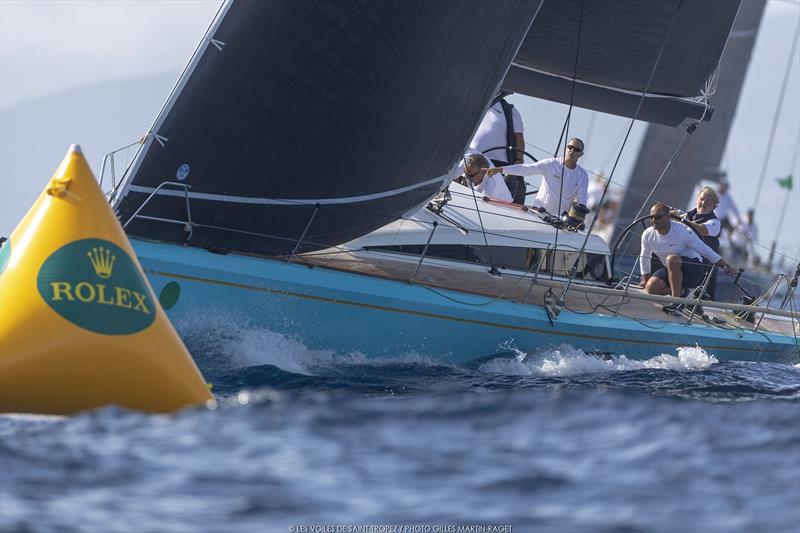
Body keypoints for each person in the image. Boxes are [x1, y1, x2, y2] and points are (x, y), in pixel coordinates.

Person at [640, 203, 732, 312]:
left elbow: (705, 250)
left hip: (693, 270)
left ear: (668, 217)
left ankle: (677, 303)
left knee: (672, 259)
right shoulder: (648, 234)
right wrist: (645, 279)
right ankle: (683, 292)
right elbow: (645, 256)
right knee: (651, 288)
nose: (654, 220)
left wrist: (725, 266)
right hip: (670, 270)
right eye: (652, 217)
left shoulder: (682, 231)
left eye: (658, 217)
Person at [487, 138, 588, 216]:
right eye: (570, 147)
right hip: (538, 213)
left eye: (576, 149)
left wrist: (579, 214)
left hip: (559, 219)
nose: (572, 151)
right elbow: (528, 169)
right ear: (566, 148)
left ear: (581, 154)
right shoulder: (552, 164)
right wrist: (501, 169)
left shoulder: (582, 175)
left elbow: (582, 198)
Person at [468, 91, 526, 204]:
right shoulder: (473, 104)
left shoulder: (510, 111)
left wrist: (518, 161)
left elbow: (519, 138)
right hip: (471, 163)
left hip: (498, 163)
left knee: (497, 200)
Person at [673, 186, 722, 299]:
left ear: (714, 205)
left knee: (704, 303)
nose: (703, 202)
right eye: (702, 199)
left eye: (708, 201)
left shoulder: (715, 222)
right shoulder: (687, 216)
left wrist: (681, 220)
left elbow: (701, 229)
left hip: (704, 270)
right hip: (686, 263)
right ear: (697, 199)